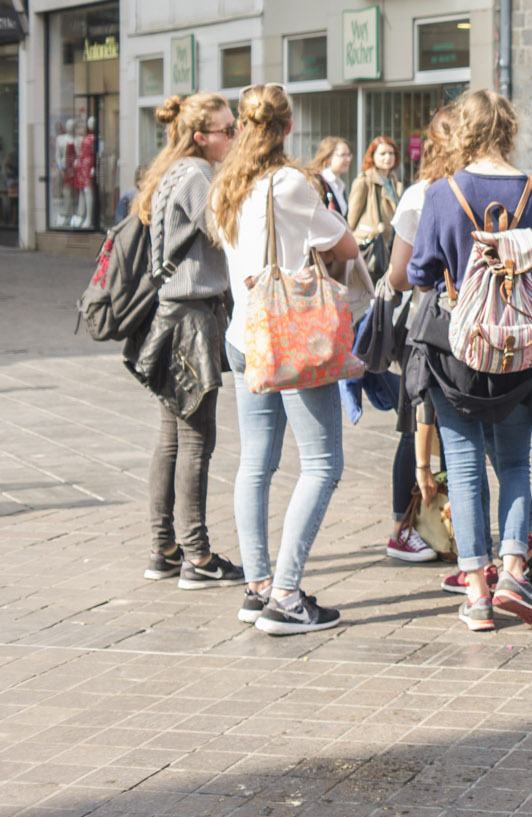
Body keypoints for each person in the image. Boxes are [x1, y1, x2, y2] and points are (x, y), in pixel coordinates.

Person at [404, 88, 532, 633]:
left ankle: (476, 593)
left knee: (466, 470)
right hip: (519, 342)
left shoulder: (443, 192)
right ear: (509, 128)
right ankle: (516, 570)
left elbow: (421, 272)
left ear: (463, 130)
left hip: (459, 351)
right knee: (515, 464)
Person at [210, 84, 363, 635]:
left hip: (242, 333)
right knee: (322, 465)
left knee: (256, 463)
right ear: (287, 127)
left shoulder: (227, 182)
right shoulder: (289, 183)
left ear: (242, 127)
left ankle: (256, 587)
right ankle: (287, 595)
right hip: (290, 335)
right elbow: (346, 247)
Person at [129, 92, 246, 591]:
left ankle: (164, 548)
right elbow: (227, 233)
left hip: (170, 316)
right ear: (202, 136)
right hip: (192, 320)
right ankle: (197, 555)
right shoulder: (197, 175)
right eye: (228, 129)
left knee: (172, 438)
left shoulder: (172, 171)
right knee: (197, 439)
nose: (236, 135)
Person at [380, 108, 457, 565]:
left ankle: (437, 525)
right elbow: (397, 275)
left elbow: (398, 273)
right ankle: (403, 526)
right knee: (424, 430)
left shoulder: (427, 192)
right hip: (433, 328)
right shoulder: (420, 195)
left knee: (428, 431)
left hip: (437, 326)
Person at [348, 136, 401, 278]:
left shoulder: (394, 181)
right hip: (372, 246)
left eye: (391, 153)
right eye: (382, 154)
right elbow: (351, 220)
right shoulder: (365, 180)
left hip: (390, 247)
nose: (388, 157)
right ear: (372, 156)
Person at [309, 136, 351, 216]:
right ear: (328, 158)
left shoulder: (339, 184)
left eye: (349, 155)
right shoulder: (317, 181)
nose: (348, 159)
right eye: (343, 155)